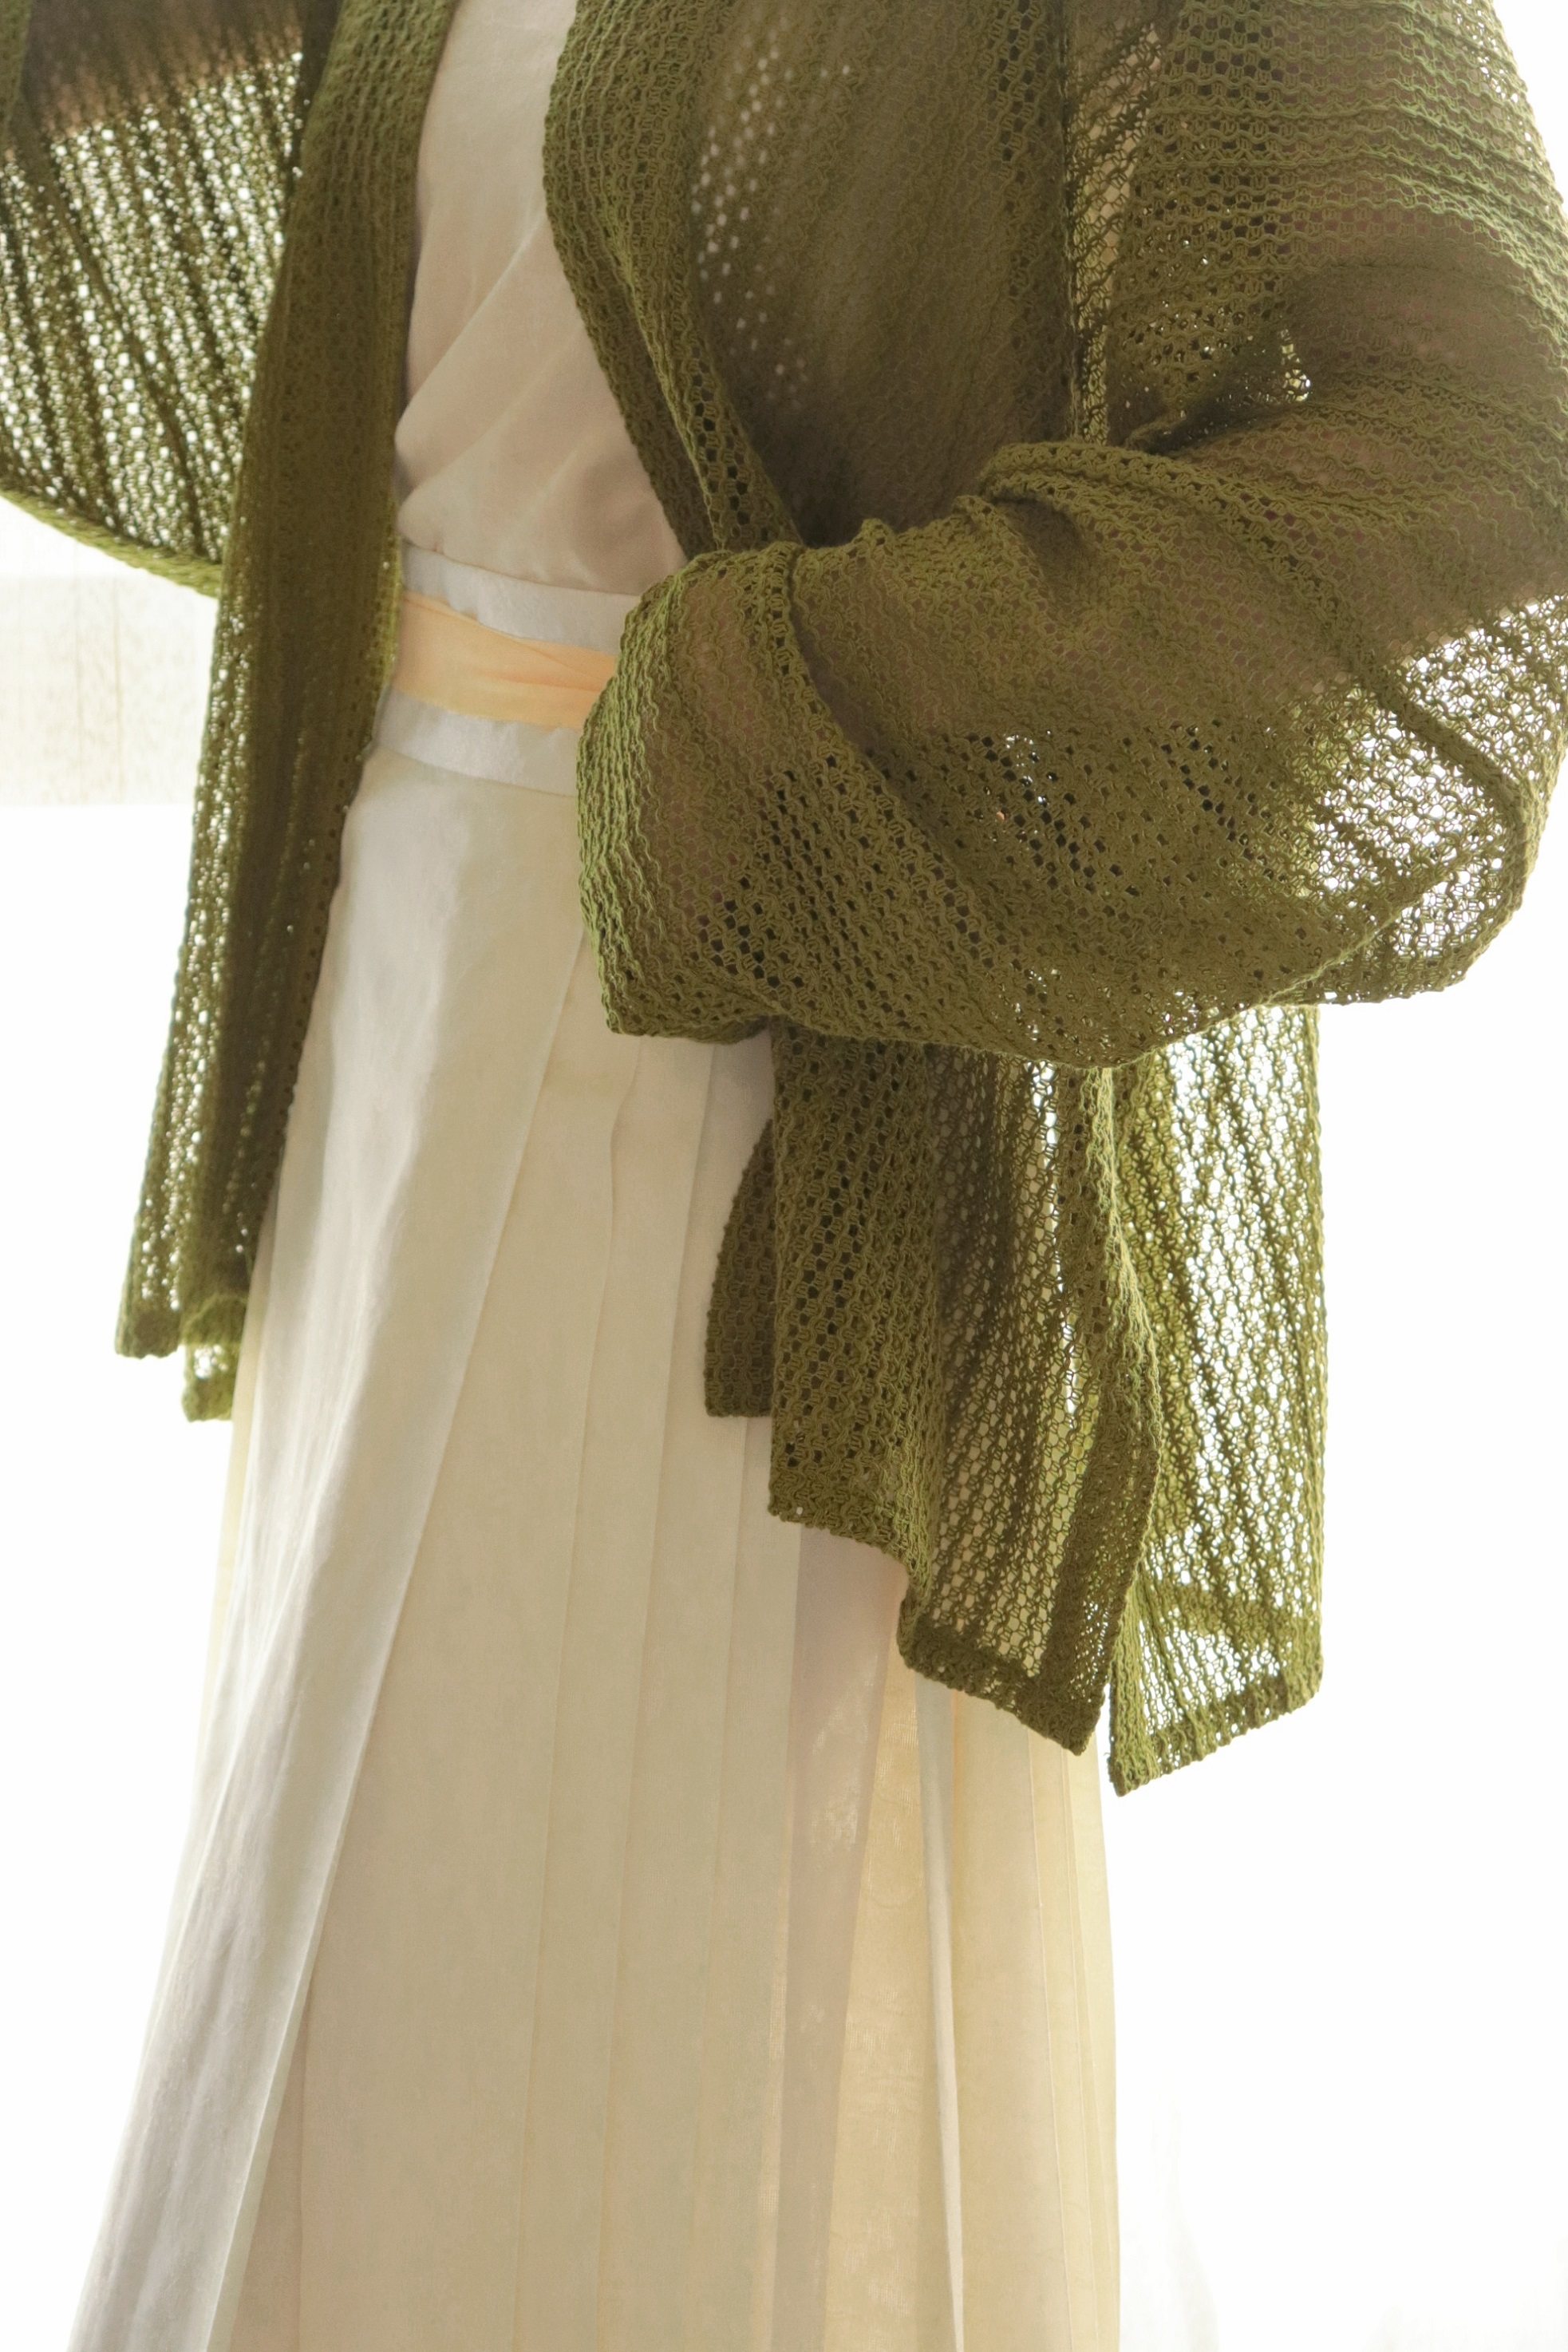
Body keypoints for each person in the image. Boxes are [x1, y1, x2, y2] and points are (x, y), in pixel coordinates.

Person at [3, 2, 1566, 2347]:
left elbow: (1490, 454)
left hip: (767, 1088)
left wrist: (791, 699)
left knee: (688, 1990)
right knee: (357, 1955)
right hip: (401, 1014)